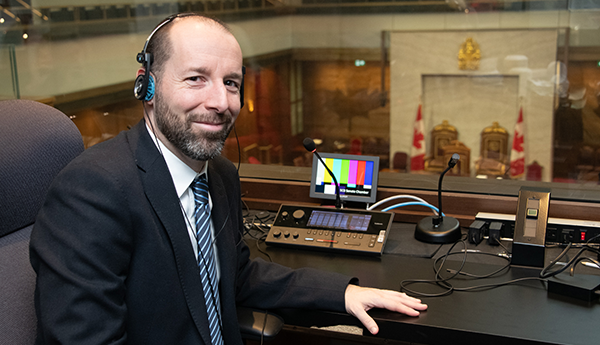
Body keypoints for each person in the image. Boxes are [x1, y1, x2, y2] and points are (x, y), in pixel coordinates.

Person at [29, 13, 427, 345]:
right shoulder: (91, 191)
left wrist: (342, 292)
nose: (221, 102)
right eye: (196, 79)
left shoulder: (218, 174)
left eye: (231, 83)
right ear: (146, 85)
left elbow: (234, 275)